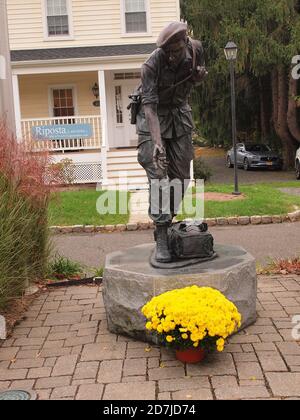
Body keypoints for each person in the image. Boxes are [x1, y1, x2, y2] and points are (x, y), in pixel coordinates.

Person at [136, 21, 207, 262]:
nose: (171, 57)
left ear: (185, 43)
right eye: (167, 52)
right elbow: (150, 107)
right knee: (158, 175)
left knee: (182, 177)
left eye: (175, 52)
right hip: (153, 119)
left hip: (180, 115)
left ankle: (167, 220)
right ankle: (162, 234)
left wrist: (199, 78)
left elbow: (197, 76)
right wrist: (156, 142)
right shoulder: (151, 65)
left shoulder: (196, 50)